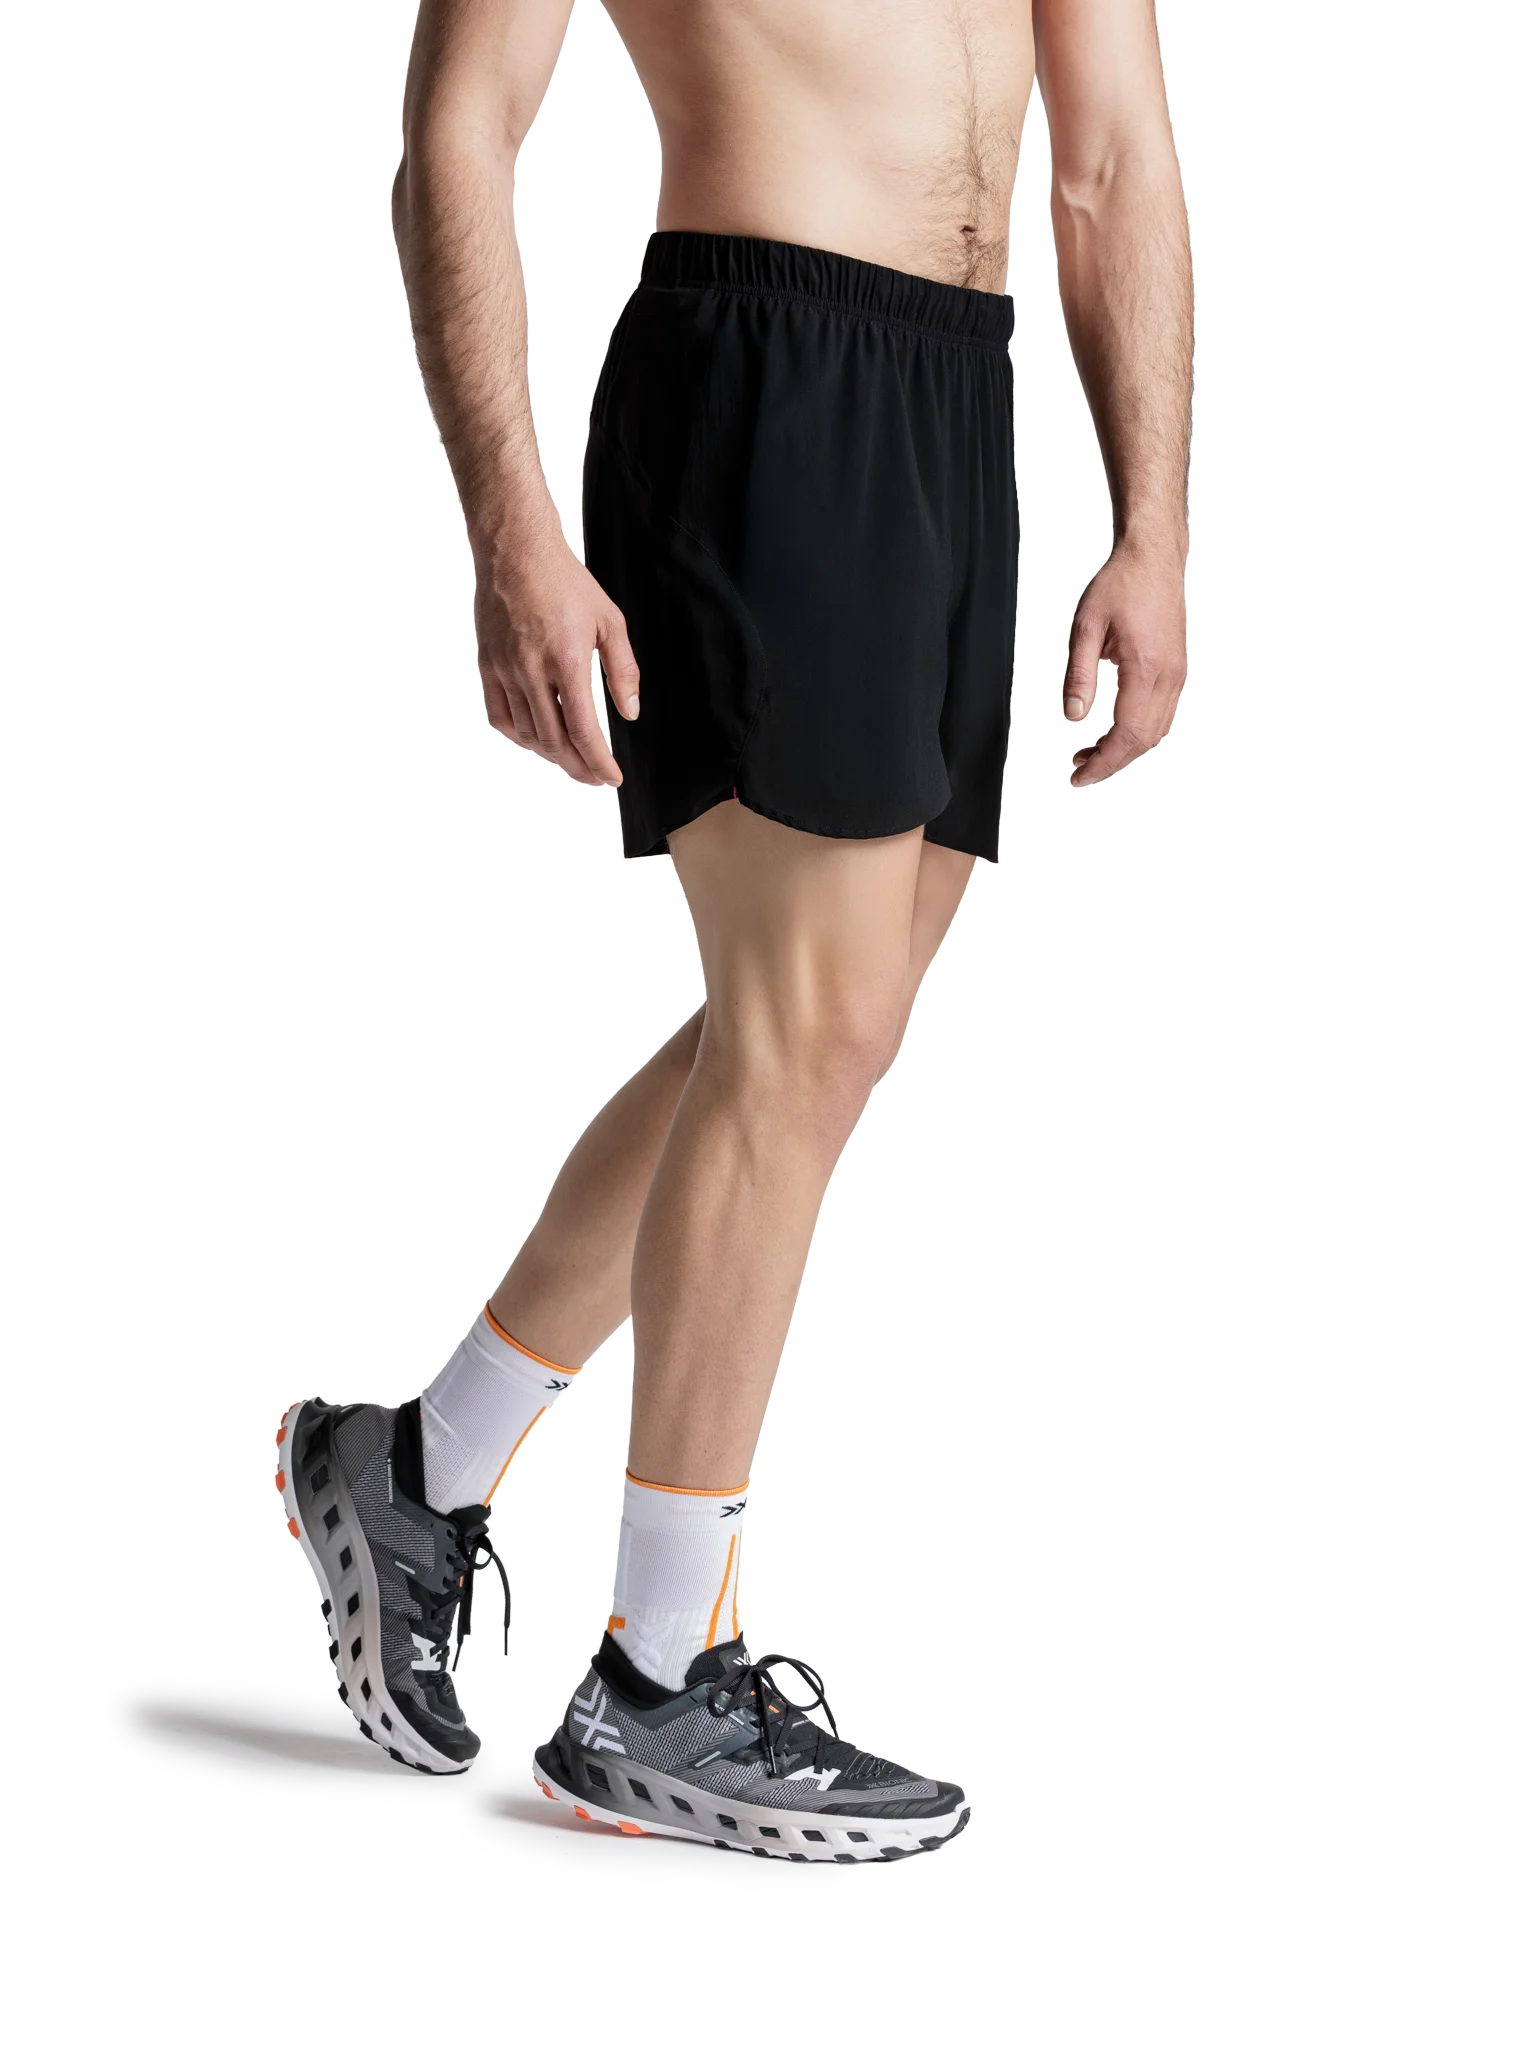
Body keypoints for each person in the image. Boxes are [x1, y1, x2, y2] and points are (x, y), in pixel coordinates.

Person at [276, 0, 1192, 1863]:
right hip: (762, 374)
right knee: (806, 1026)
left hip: (960, 394)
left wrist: (1154, 522)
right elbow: (462, 122)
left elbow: (1110, 157)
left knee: (813, 1028)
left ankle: (422, 1461)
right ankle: (658, 1672)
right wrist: (507, 527)